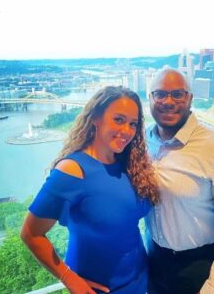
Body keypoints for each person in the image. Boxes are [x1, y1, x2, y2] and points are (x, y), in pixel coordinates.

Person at [21, 86, 159, 294]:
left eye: (133, 124)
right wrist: (70, 279)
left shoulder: (129, 164)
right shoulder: (73, 170)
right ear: (95, 118)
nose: (127, 131)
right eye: (119, 120)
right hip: (99, 288)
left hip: (139, 278)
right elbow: (31, 233)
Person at [145, 68, 214, 294]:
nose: (169, 101)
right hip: (153, 261)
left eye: (178, 94)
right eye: (160, 94)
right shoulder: (143, 141)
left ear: (190, 98)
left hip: (198, 269)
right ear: (150, 98)